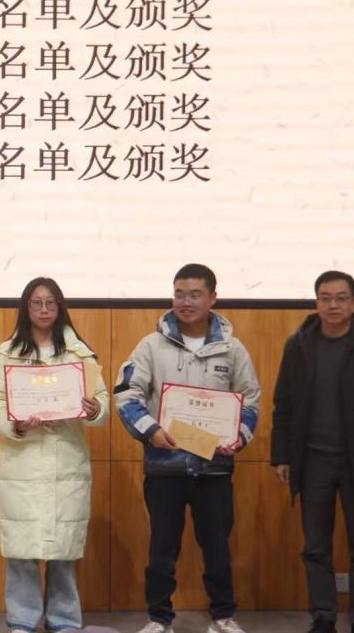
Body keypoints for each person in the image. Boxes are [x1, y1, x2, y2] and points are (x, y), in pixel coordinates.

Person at [114, 264, 260, 633]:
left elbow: (250, 400)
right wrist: (151, 431)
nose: (186, 302)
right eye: (179, 294)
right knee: (162, 551)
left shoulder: (233, 349)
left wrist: (240, 435)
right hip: (165, 466)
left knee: (218, 550)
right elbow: (127, 395)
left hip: (214, 469)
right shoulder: (150, 346)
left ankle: (223, 617)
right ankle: (158, 619)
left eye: (195, 294)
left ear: (213, 298)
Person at [269, 271, 354, 633]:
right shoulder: (298, 345)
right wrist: (282, 455)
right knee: (315, 546)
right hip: (313, 460)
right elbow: (284, 404)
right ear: (316, 303)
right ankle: (323, 616)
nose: (333, 305)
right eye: (325, 298)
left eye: (341, 298)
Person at [0, 277, 110, 633]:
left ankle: (64, 621)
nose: (43, 310)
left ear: (60, 307)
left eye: (51, 303)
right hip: (22, 465)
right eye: (36, 303)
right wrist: (16, 424)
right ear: (25, 308)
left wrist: (94, 409)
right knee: (21, 550)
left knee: (63, 552)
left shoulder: (80, 354)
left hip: (66, 462)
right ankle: (21, 621)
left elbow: (102, 402)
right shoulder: (7, 354)